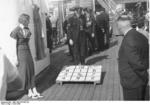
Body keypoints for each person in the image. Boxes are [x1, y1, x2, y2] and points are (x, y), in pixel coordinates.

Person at [10, 13, 43, 99]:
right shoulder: (16, 30)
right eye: (28, 20)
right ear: (24, 20)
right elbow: (13, 45)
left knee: (31, 69)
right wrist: (15, 57)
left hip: (27, 51)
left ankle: (34, 89)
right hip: (20, 53)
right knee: (26, 71)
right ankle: (29, 90)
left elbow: (29, 43)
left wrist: (34, 54)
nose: (29, 22)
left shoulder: (27, 29)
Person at [117, 15, 149, 100]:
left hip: (133, 83)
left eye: (118, 27)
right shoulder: (141, 35)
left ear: (121, 27)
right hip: (139, 81)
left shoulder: (128, 40)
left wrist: (144, 76)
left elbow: (136, 63)